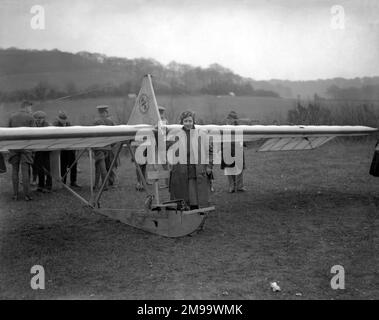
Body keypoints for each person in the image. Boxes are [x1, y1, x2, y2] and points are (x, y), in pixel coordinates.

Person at [168, 110, 213, 210]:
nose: (188, 123)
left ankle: (198, 208)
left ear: (193, 121)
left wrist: (209, 166)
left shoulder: (201, 134)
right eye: (185, 121)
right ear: (182, 122)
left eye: (190, 121)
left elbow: (210, 151)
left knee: (196, 191)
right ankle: (185, 209)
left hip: (197, 169)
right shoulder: (176, 135)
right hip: (181, 169)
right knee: (184, 191)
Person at [8, 100, 35, 200]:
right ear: (27, 107)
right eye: (30, 107)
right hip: (26, 147)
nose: (31, 110)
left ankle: (15, 194)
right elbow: (34, 133)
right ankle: (27, 195)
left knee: (15, 170)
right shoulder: (30, 117)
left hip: (14, 147)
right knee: (25, 171)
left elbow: (8, 132)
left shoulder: (12, 117)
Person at [53, 111, 80, 188]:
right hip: (62, 149)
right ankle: (63, 182)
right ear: (59, 119)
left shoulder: (69, 125)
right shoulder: (56, 125)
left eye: (65, 119)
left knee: (74, 165)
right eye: (62, 118)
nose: (64, 120)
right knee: (63, 166)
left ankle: (73, 181)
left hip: (70, 148)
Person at [221, 110, 247, 193]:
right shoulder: (223, 127)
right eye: (229, 118)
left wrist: (243, 143)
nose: (231, 120)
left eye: (233, 118)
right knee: (229, 168)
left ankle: (240, 186)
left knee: (239, 168)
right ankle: (231, 186)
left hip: (238, 149)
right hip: (227, 149)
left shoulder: (239, 128)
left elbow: (243, 138)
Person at [93, 105, 116, 190]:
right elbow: (115, 135)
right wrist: (112, 145)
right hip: (108, 148)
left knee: (100, 168)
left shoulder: (96, 122)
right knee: (108, 167)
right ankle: (104, 183)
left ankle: (103, 185)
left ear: (99, 112)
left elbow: (92, 136)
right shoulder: (110, 122)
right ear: (105, 112)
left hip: (99, 148)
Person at [33, 111, 52, 193]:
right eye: (37, 118)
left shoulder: (48, 125)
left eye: (40, 118)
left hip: (46, 149)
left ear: (44, 119)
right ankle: (40, 185)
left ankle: (48, 186)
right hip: (37, 149)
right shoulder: (34, 126)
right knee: (39, 168)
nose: (38, 120)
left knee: (47, 167)